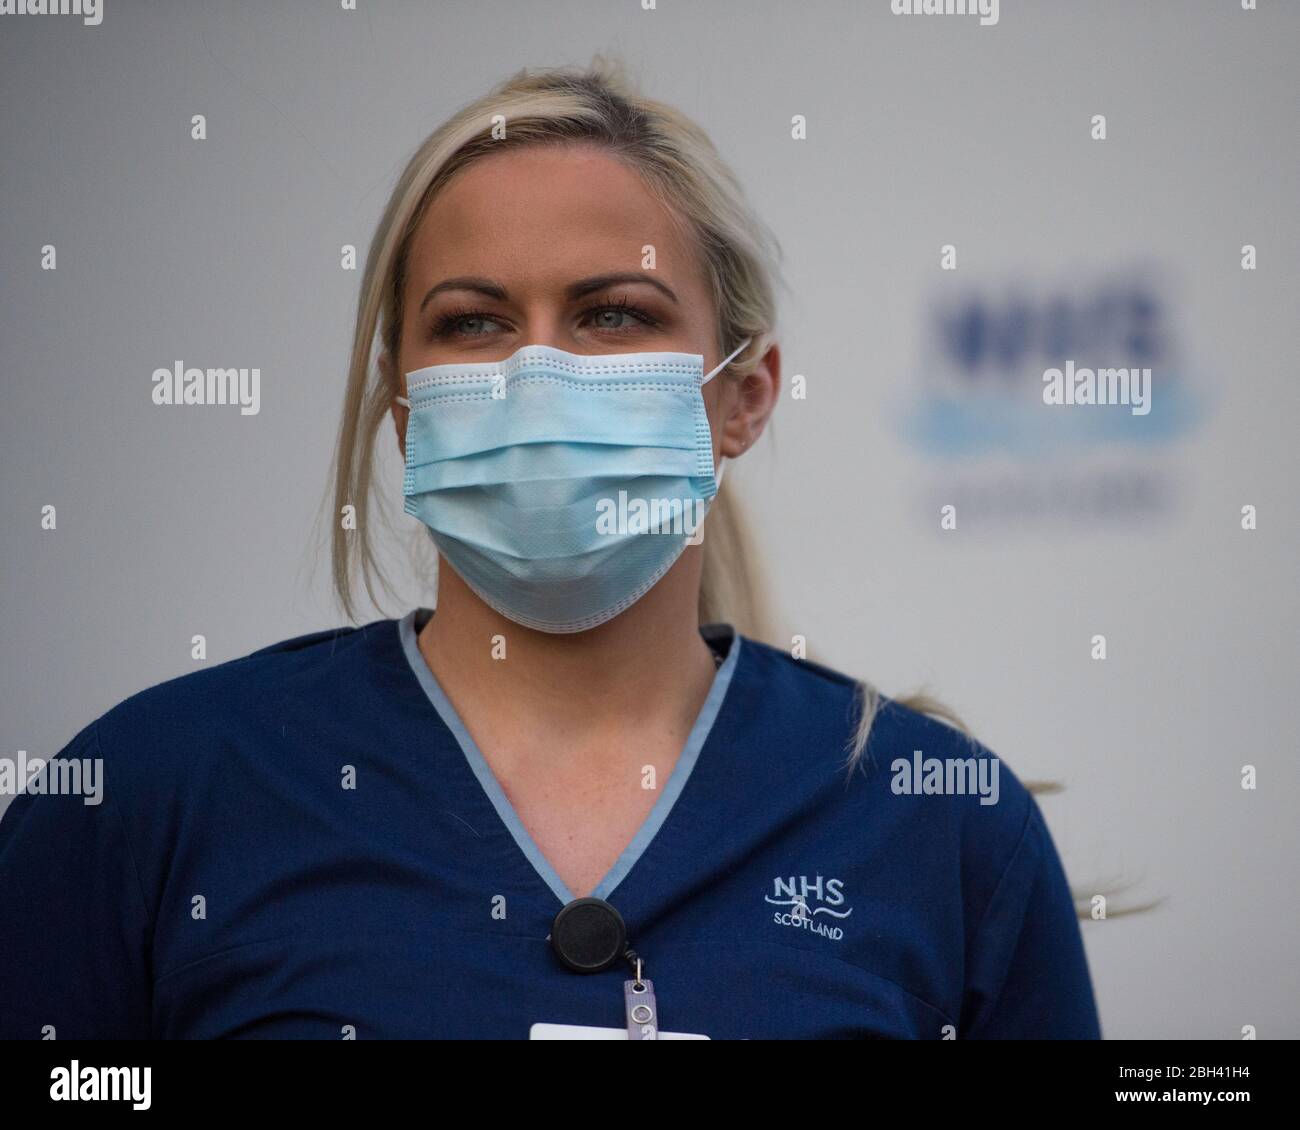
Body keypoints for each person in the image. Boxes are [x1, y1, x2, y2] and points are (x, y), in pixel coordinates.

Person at [0, 59, 1100, 1040]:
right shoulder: (152, 796)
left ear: (743, 396)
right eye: (473, 322)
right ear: (403, 407)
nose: (536, 375)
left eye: (612, 315)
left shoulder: (939, 823)